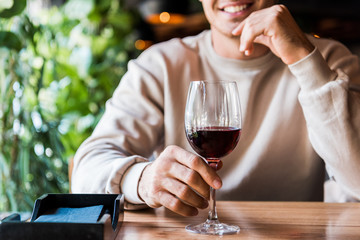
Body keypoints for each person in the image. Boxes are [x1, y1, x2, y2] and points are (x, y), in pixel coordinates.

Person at [71, 0, 360, 217]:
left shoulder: (329, 61)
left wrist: (303, 59)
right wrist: (143, 180)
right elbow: (86, 172)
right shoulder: (160, 66)